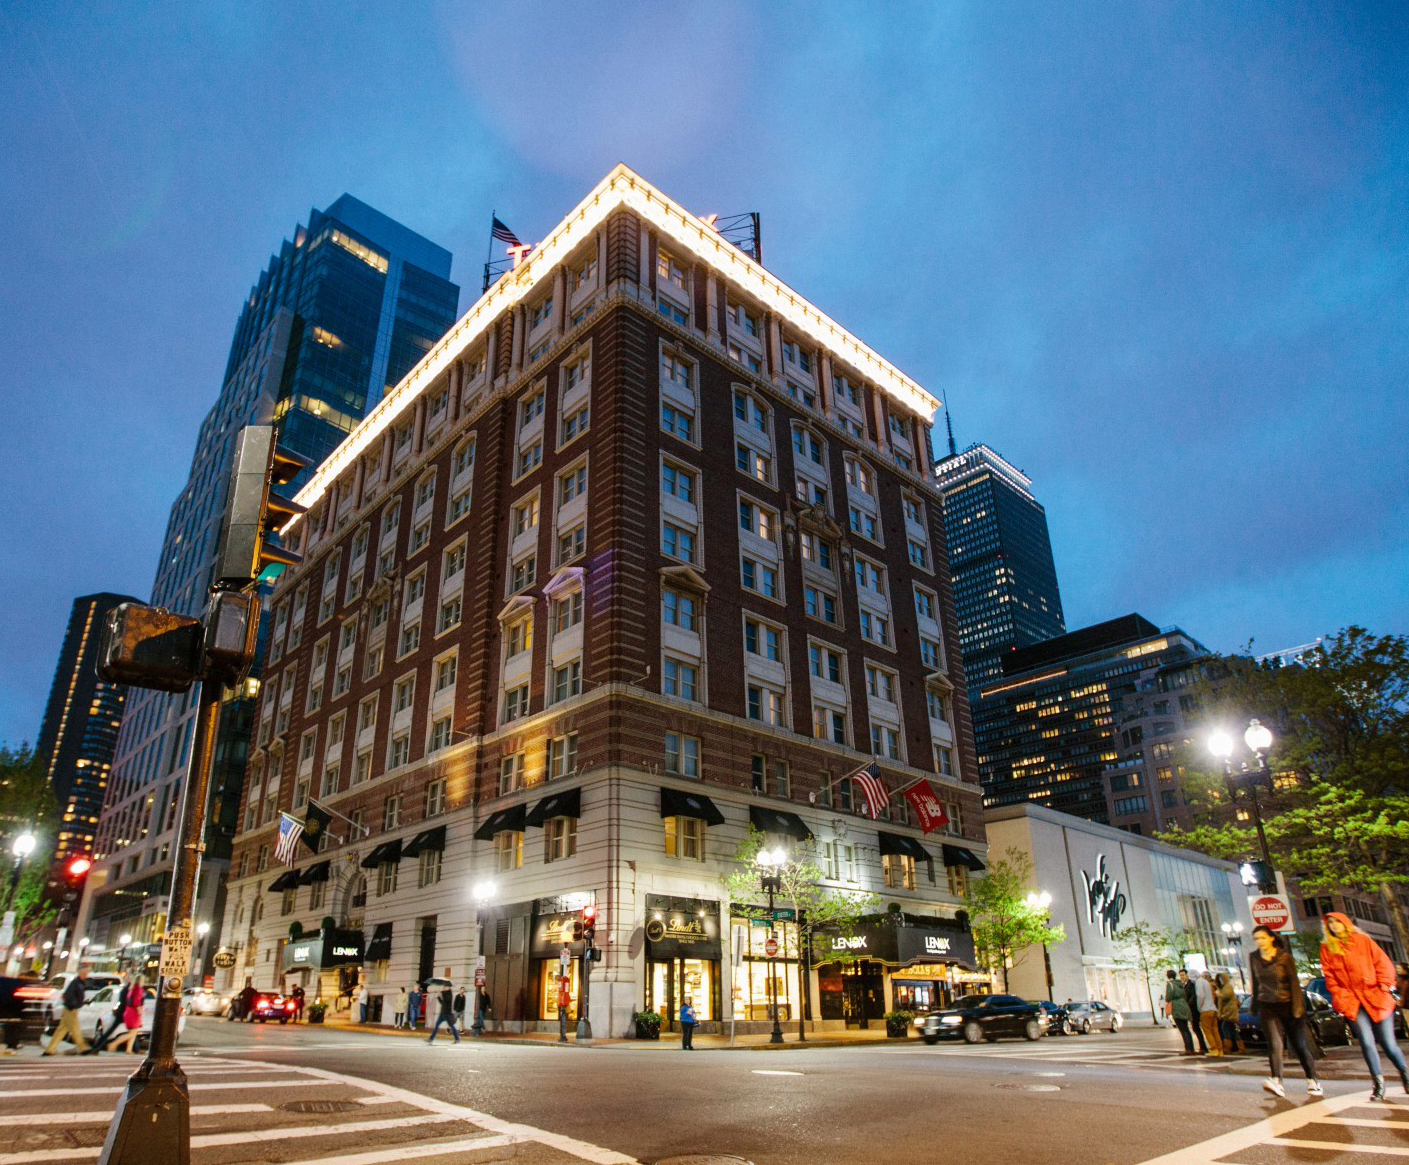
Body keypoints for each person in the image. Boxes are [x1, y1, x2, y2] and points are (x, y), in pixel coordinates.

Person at [1321, 911, 1408, 1101]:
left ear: (1345, 923)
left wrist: (1384, 987)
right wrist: (1341, 995)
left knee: (1388, 1043)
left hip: (1376, 997)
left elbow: (1383, 963)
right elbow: (1330, 977)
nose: (1334, 925)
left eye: (1337, 922)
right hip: (1352, 1001)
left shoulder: (1363, 940)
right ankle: (1378, 1084)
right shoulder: (1327, 948)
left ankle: (1405, 1073)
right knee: (1367, 1042)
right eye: (1330, 923)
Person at [1249, 924, 1321, 1098]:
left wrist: (1298, 1008)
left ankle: (1313, 1080)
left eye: (1263, 938)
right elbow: (1255, 982)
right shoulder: (1254, 957)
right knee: (1274, 1044)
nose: (1260, 942)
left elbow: (1295, 984)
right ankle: (1277, 1080)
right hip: (1267, 1005)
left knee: (1299, 1045)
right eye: (1257, 939)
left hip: (1288, 1004)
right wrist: (1254, 1003)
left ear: (1271, 938)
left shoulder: (1284, 957)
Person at [43, 968, 91, 1056]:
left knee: (61, 1029)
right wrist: (73, 1005)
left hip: (70, 1007)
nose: (86, 975)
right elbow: (69, 995)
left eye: (87, 973)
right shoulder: (76, 983)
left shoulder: (79, 983)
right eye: (85, 973)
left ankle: (50, 1049)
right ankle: (82, 1047)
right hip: (71, 1008)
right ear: (81, 973)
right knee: (75, 1028)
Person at [1165, 969, 1195, 1054]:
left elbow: (1168, 997)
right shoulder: (1180, 983)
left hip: (1177, 1006)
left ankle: (1188, 1049)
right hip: (1184, 1004)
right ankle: (1191, 1048)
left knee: (1182, 1029)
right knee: (1186, 1028)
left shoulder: (1169, 984)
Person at [1181, 970, 1208, 1054]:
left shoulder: (1191, 984)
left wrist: (1188, 1005)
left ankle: (1203, 1047)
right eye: (1180, 975)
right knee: (1196, 1028)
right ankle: (1203, 1047)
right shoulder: (1187, 984)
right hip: (1192, 1008)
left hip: (1194, 1009)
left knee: (1196, 1028)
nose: (1182, 977)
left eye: (1183, 975)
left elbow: (1194, 996)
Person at [1196, 972, 1222, 1057]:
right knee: (1215, 1030)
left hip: (1205, 1009)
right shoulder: (1208, 983)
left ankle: (1214, 1049)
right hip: (1213, 1008)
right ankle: (1220, 1050)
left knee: (1207, 1031)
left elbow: (1200, 995)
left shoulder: (1199, 982)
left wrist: (1199, 1007)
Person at [1215, 972, 1242, 1054]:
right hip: (1228, 1012)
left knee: (1226, 1029)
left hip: (1229, 1013)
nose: (1221, 981)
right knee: (1231, 1030)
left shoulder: (1227, 987)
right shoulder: (1225, 987)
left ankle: (1229, 1048)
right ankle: (1236, 1047)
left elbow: (1225, 996)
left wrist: (1218, 993)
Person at [1395, 962, 1409, 1039]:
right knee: (1406, 1021)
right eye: (1397, 968)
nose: (1397, 970)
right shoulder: (1399, 979)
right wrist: (1398, 999)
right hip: (1404, 1004)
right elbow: (1396, 990)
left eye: (1399, 968)